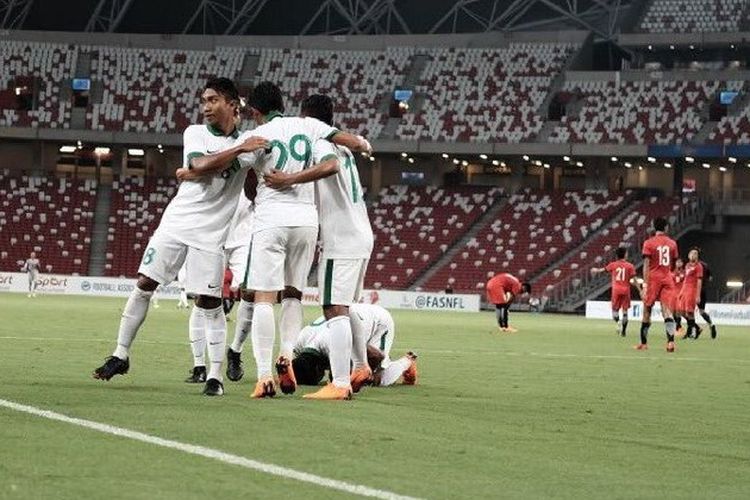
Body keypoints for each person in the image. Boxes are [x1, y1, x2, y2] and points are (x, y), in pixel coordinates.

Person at [177, 81, 372, 399]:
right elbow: (329, 159)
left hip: (272, 220)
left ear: (254, 111)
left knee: (265, 298)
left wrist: (192, 172)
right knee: (294, 295)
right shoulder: (308, 127)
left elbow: (227, 168)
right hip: (307, 222)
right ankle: (287, 354)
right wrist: (362, 142)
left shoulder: (256, 136)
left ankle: (265, 375)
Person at [92, 77, 269, 397]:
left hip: (212, 235)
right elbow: (199, 163)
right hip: (177, 223)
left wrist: (248, 160)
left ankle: (215, 376)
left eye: (213, 100)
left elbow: (252, 179)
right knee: (145, 283)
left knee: (210, 303)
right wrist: (235, 151)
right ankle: (120, 354)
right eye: (204, 100)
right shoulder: (197, 133)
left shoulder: (249, 145)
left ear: (231, 104)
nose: (206, 106)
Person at [263, 94, 374, 399]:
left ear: (308, 119)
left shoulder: (322, 143)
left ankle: (339, 383)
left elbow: (330, 167)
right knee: (345, 308)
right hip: (360, 232)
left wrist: (289, 179)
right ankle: (362, 365)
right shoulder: (340, 143)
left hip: (343, 238)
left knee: (333, 308)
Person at [292, 304, 417, 389]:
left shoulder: (335, 343)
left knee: (375, 379)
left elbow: (376, 356)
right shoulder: (298, 343)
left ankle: (407, 362)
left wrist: (363, 376)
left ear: (319, 367)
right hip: (354, 313)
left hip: (378, 321)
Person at [223, 177, 257, 382]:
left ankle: (235, 349)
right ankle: (199, 365)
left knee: (249, 293)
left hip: (244, 237)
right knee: (204, 299)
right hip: (213, 233)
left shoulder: (254, 150)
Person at [636, 217, 679, 352]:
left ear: (654, 227)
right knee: (667, 311)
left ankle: (644, 344)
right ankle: (670, 343)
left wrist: (645, 285)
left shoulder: (648, 243)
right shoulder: (672, 243)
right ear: (666, 227)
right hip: (667, 278)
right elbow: (673, 264)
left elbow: (646, 265)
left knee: (647, 310)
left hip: (653, 278)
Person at [591, 247, 636, 337]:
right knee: (625, 311)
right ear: (625, 254)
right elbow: (634, 279)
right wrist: (640, 289)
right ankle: (624, 331)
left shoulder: (613, 265)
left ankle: (618, 321)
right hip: (626, 290)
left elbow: (603, 270)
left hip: (616, 290)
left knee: (614, 311)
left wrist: (596, 270)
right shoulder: (630, 266)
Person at [678, 247, 704, 340]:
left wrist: (698, 295)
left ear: (697, 256)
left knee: (690, 312)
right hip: (685, 290)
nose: (692, 255)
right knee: (681, 312)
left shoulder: (699, 266)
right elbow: (685, 279)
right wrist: (681, 292)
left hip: (692, 291)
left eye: (695, 253)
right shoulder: (687, 265)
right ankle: (697, 328)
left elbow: (699, 281)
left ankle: (690, 333)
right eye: (691, 253)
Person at [694, 252, 718, 339]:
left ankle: (695, 330)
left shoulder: (694, 266)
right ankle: (711, 324)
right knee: (701, 311)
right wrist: (705, 281)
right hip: (703, 290)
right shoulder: (705, 265)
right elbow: (710, 277)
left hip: (694, 290)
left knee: (687, 312)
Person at [671, 257, 685, 334]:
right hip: (673, 294)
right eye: (677, 262)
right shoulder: (673, 272)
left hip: (681, 294)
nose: (679, 263)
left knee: (678, 311)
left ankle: (678, 328)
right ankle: (678, 327)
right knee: (672, 312)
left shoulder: (684, 272)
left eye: (680, 262)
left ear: (682, 264)